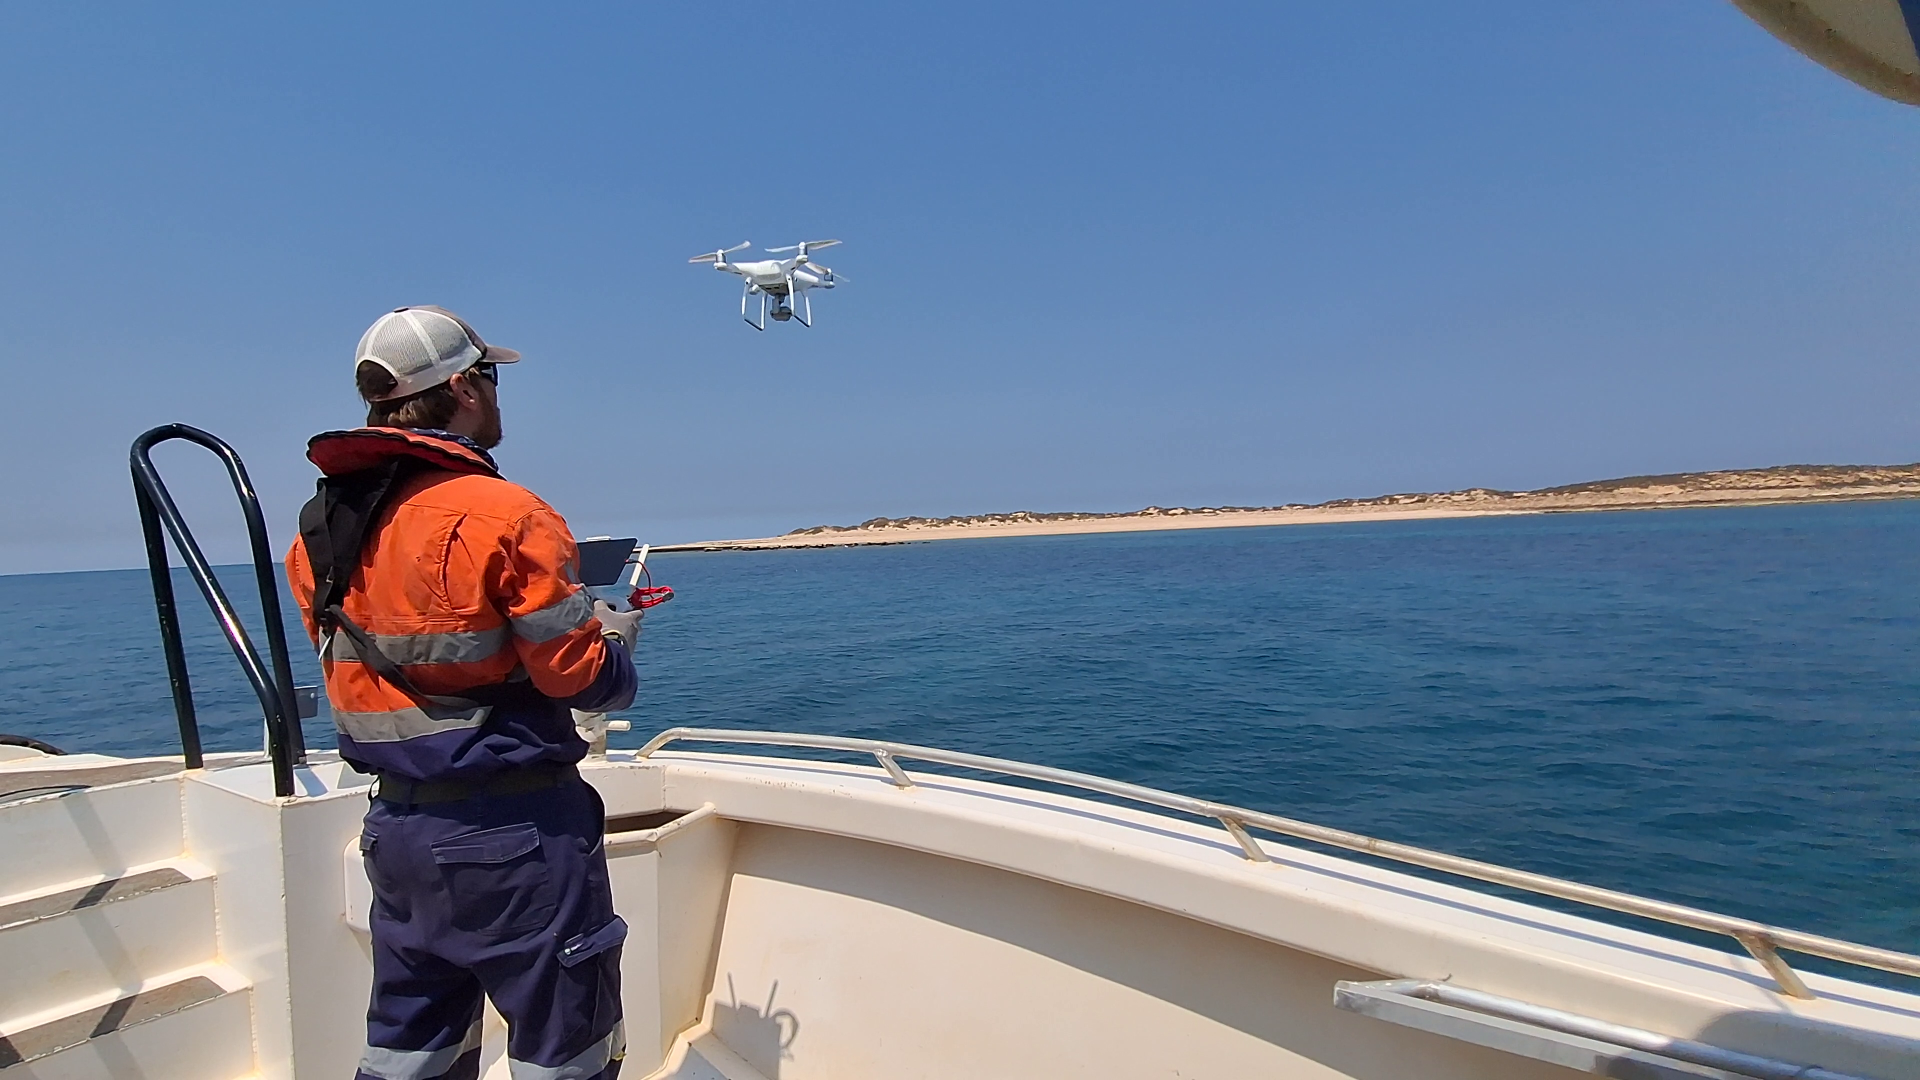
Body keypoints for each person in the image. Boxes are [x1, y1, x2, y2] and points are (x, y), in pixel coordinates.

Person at [285, 305, 641, 1080]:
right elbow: (574, 674)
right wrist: (614, 647)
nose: (496, 393)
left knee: (412, 1054)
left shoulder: (317, 532)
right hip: (516, 833)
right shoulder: (509, 514)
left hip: (398, 832)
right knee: (567, 1057)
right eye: (491, 376)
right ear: (465, 388)